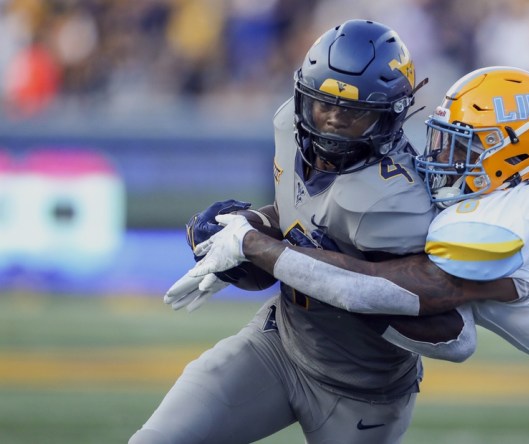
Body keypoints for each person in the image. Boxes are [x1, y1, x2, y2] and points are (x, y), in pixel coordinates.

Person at [188, 66, 529, 443]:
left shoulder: (516, 219)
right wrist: (261, 220)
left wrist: (260, 248)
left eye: (464, 143)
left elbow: (392, 288)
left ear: (513, 153)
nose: (441, 155)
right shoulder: (504, 203)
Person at [130, 20, 476, 444]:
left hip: (362, 392)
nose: (331, 119)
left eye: (351, 111)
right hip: (278, 347)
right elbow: (296, 215)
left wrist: (336, 279)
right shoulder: (287, 129)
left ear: (390, 114)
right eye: (322, 104)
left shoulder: (396, 199)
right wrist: (249, 226)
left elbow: (449, 328)